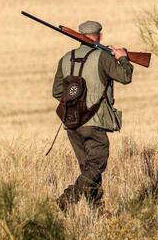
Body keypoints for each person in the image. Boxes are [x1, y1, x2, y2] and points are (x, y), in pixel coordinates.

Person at [52, 20, 133, 211]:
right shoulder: (102, 57)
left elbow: (57, 92)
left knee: (88, 168)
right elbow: (125, 76)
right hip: (94, 120)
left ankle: (95, 209)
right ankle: (66, 199)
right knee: (96, 164)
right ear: (100, 36)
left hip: (72, 122)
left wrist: (76, 100)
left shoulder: (65, 58)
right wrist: (122, 57)